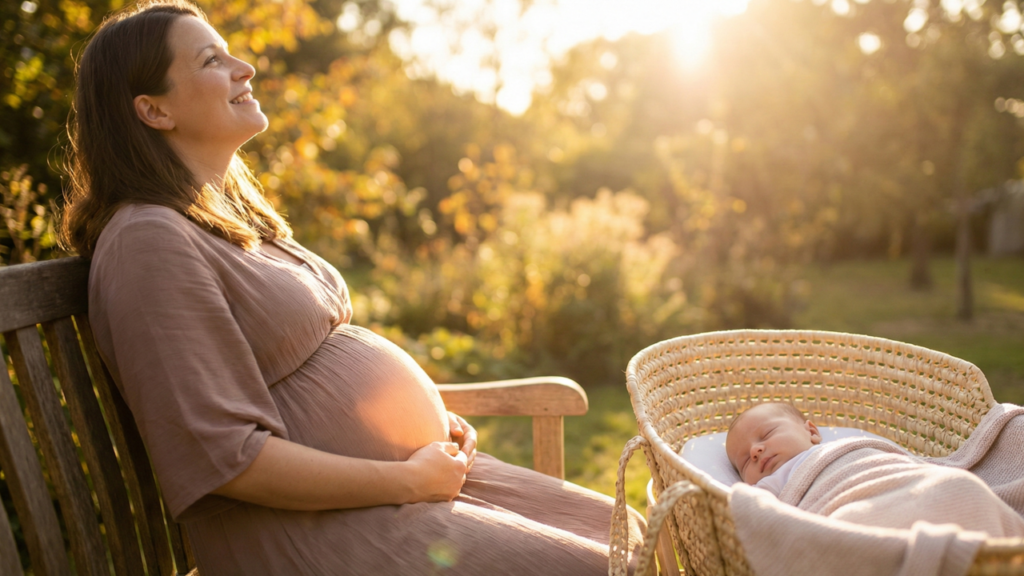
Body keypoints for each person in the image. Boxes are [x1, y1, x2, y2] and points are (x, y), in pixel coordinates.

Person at [60, 1, 645, 573]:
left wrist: (427, 419)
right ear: (154, 111)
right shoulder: (147, 240)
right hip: (310, 529)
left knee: (641, 538)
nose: (246, 68)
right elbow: (226, 459)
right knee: (611, 566)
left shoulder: (213, 217)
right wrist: (407, 479)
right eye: (212, 60)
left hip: (395, 490)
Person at [725, 402, 822, 494]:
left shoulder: (831, 448)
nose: (754, 451)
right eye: (745, 461)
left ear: (811, 432)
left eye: (767, 434)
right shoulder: (769, 486)